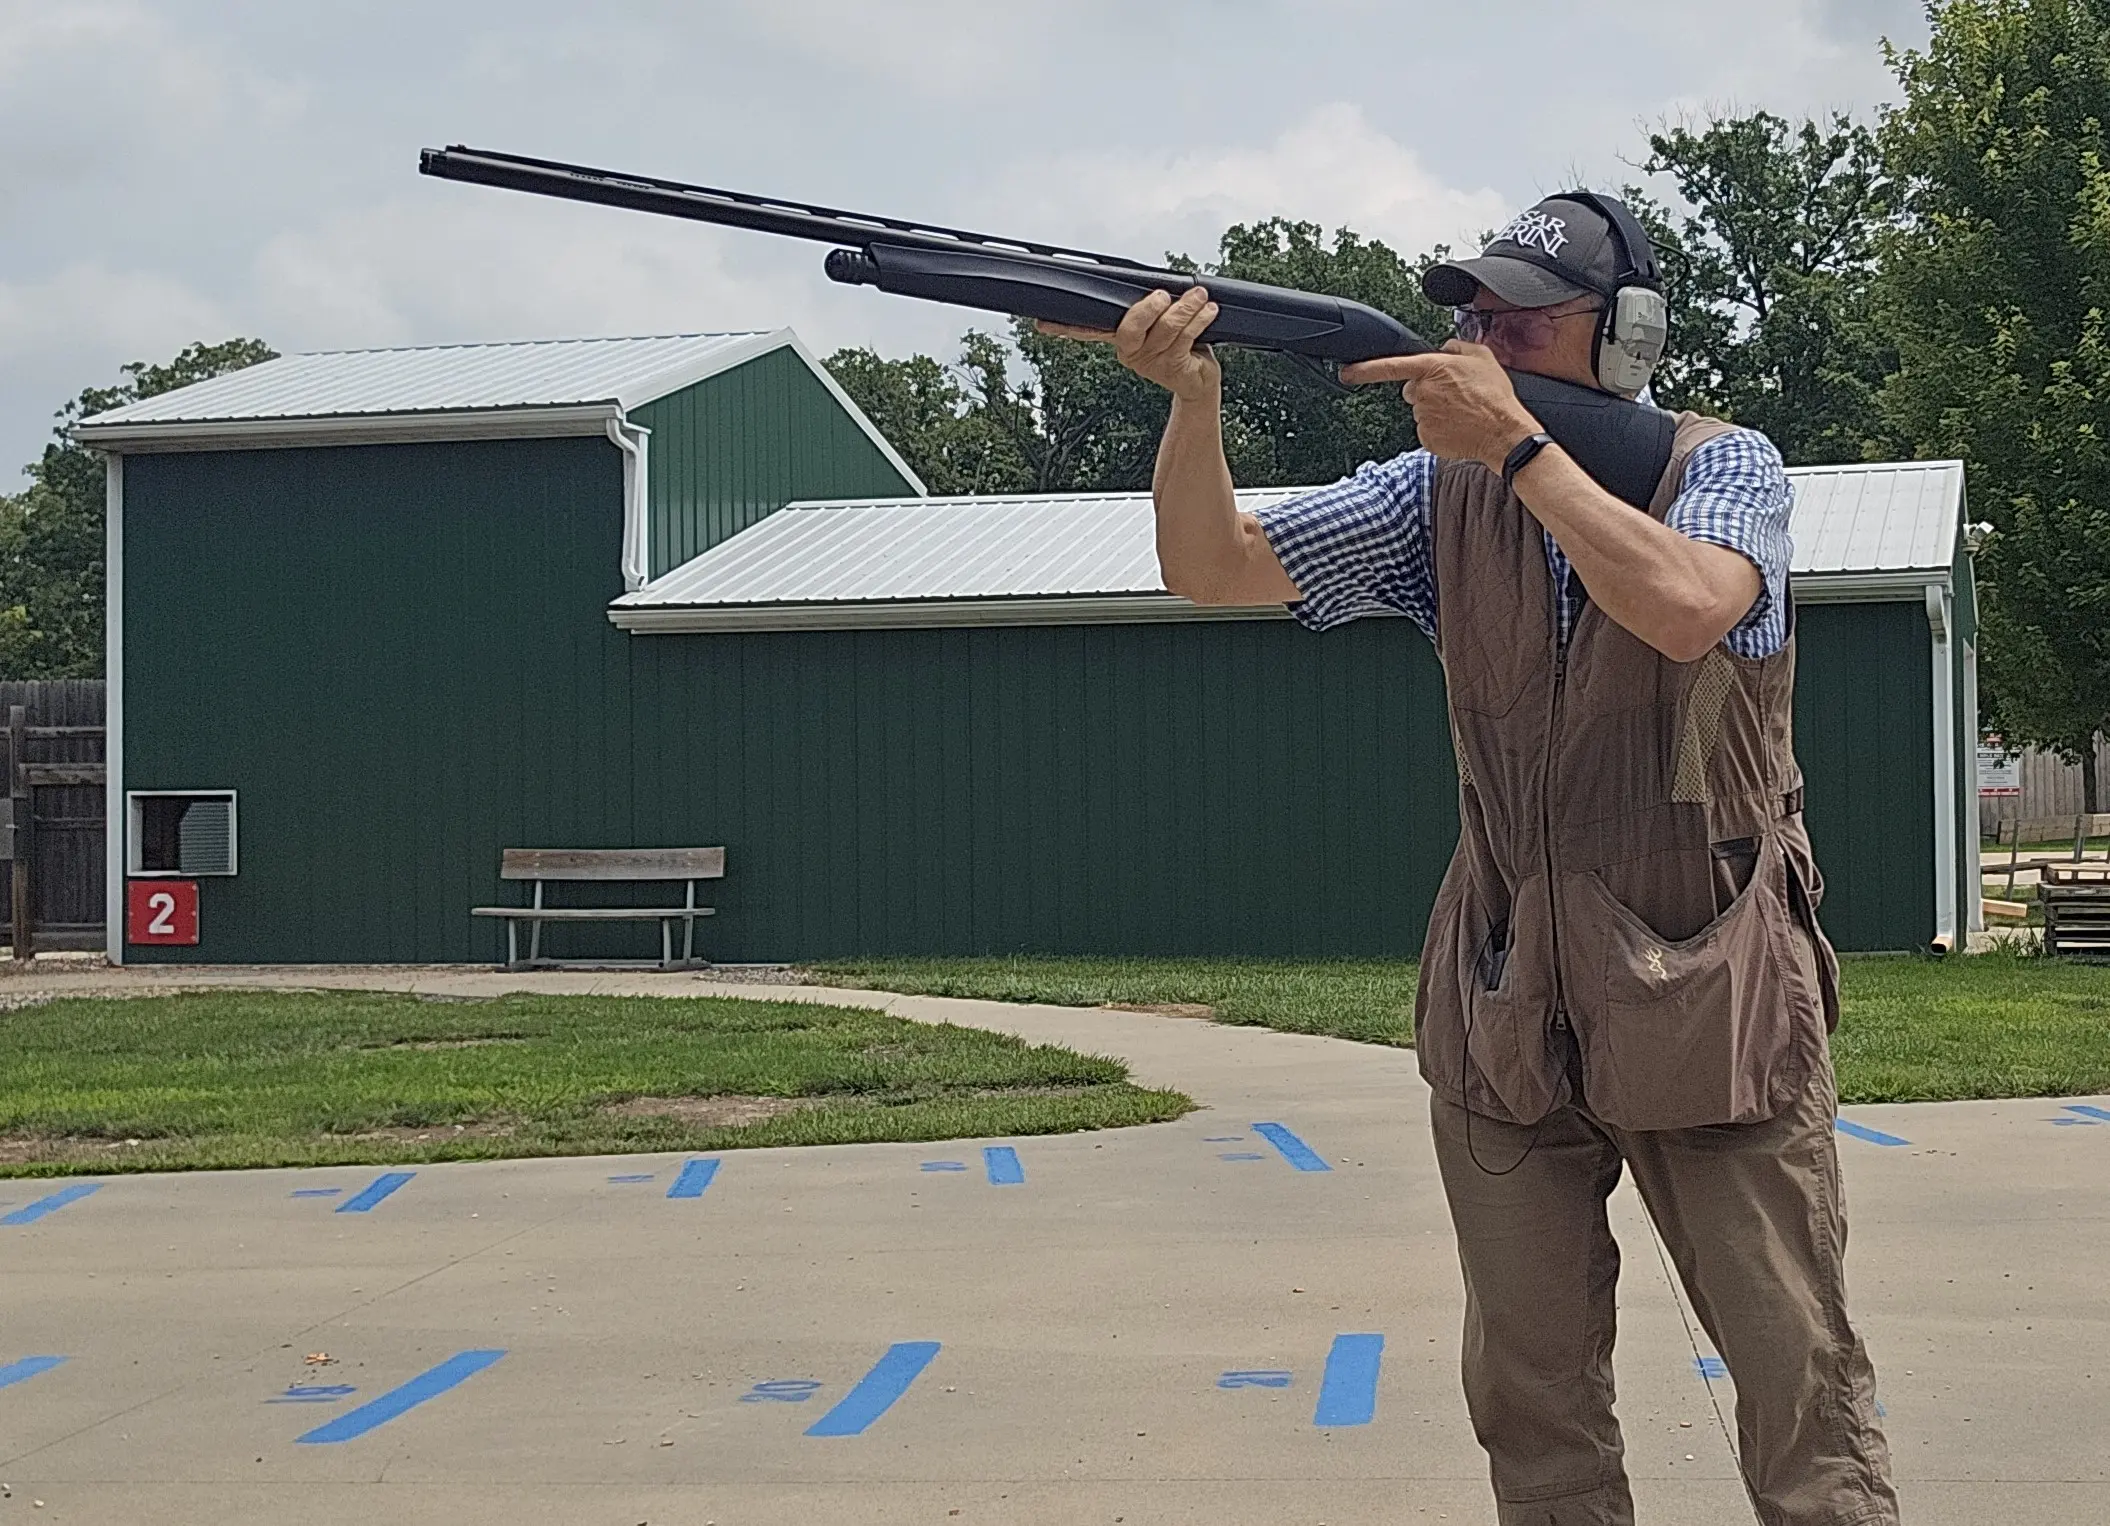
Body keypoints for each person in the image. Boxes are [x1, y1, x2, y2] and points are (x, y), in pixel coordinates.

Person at [1042, 194, 1901, 1526]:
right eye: (1472, 314)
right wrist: (1188, 398)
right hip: (1506, 989)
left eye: (1520, 315)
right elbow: (1211, 566)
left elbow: (1684, 606)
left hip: (1712, 989)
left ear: (1625, 339)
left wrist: (1515, 451)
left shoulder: (1726, 467)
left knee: (1799, 1393)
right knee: (1530, 1397)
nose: (1481, 335)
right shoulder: (1432, 493)